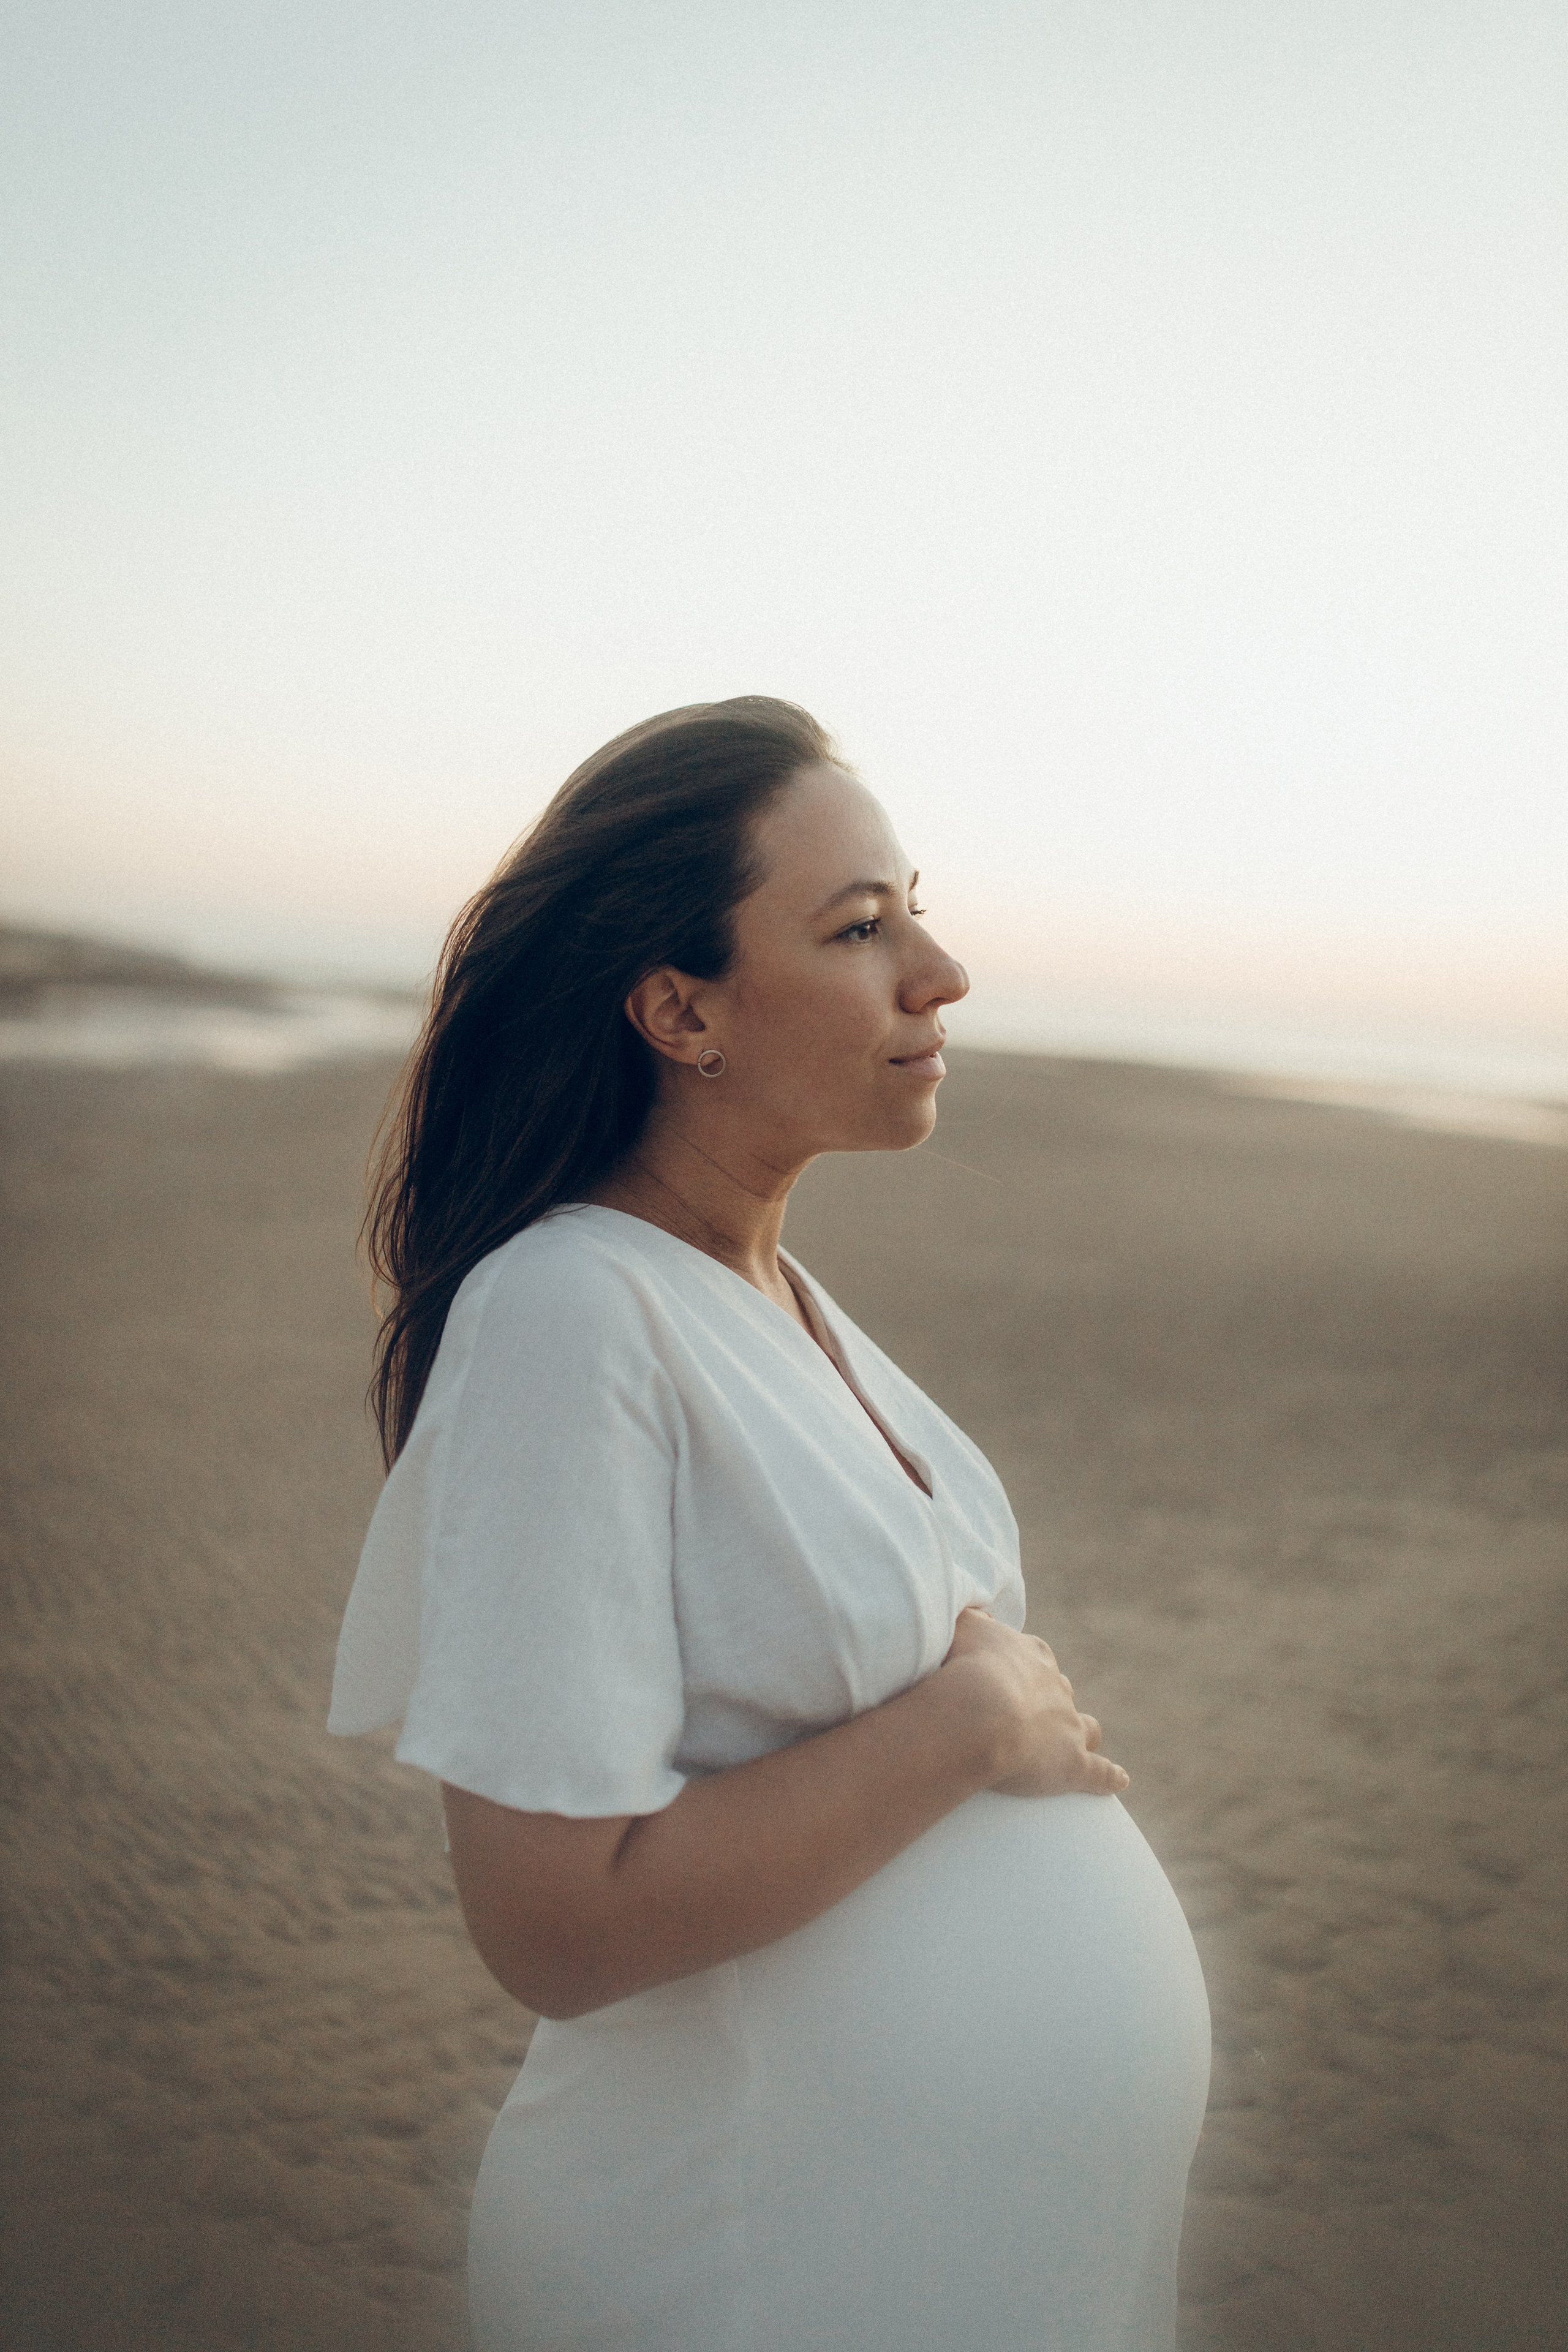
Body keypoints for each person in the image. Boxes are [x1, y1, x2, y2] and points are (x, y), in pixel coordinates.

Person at [328, 696, 1210, 2351]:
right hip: (749, 2264)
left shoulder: (765, 1289)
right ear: (681, 1010)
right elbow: (553, 1920)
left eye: (914, 911)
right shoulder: (570, 1312)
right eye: (862, 928)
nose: (937, 973)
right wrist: (966, 1720)